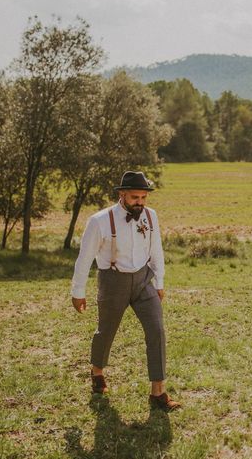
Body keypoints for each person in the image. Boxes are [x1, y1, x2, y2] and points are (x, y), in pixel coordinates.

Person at [70, 171, 180, 411]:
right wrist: (78, 291)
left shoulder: (150, 217)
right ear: (122, 195)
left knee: (157, 330)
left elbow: (156, 250)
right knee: (106, 331)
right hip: (113, 281)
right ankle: (97, 371)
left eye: (143, 197)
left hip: (143, 281)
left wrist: (159, 283)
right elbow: (84, 257)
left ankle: (158, 393)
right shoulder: (100, 221)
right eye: (134, 197)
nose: (140, 202)